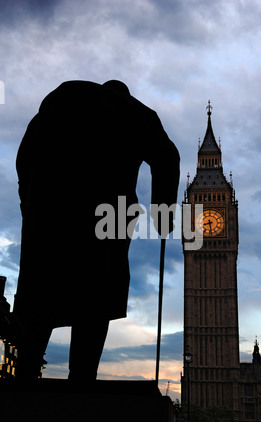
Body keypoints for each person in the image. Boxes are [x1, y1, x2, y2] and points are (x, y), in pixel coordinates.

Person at [12, 79, 180, 381]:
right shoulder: (136, 111)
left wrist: (29, 201)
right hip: (109, 216)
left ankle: (25, 374)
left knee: (42, 290)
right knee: (97, 293)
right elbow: (168, 157)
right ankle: (82, 378)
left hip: (51, 208)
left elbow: (24, 157)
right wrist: (163, 213)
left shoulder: (61, 98)